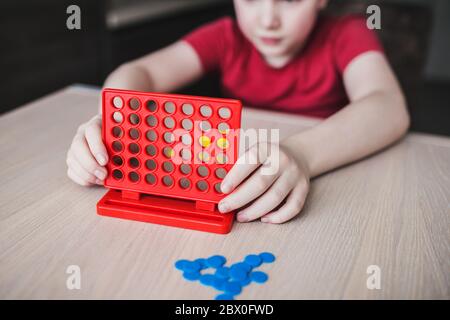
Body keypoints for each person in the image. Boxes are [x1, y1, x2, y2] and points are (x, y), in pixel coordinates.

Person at [66, 0, 409, 224]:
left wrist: (301, 155)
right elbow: (142, 72)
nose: (268, 19)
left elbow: (388, 106)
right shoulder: (226, 36)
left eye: (290, 0)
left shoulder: (348, 34)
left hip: (331, 185)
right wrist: (115, 121)